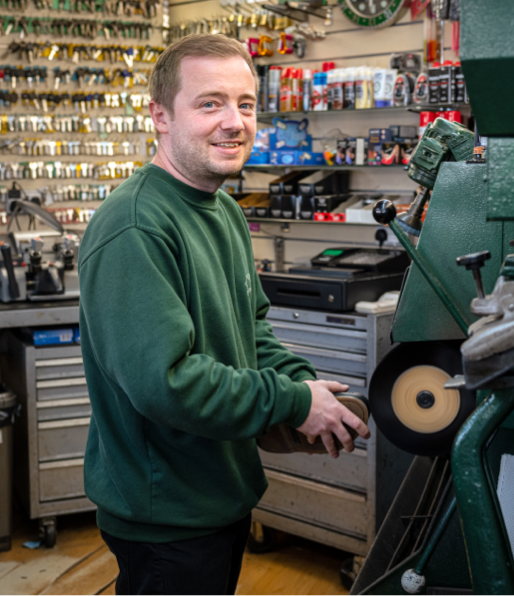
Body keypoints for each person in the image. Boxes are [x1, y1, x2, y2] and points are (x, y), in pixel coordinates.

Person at [77, 34, 370, 596]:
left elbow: (249, 332)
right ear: (160, 116)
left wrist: (301, 382)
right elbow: (167, 384)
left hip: (220, 495)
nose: (234, 121)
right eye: (210, 103)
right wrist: (291, 403)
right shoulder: (135, 225)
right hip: (166, 515)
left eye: (246, 104)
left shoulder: (225, 212)